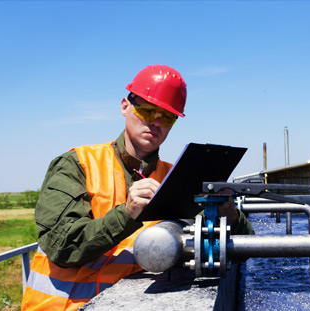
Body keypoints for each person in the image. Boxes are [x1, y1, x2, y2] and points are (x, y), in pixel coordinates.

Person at [21, 65, 254, 311]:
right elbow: (60, 246)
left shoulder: (175, 178)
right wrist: (127, 213)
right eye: (147, 110)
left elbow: (241, 251)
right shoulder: (77, 163)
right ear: (125, 106)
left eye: (166, 116)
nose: (155, 122)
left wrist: (230, 215)